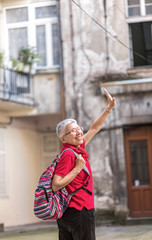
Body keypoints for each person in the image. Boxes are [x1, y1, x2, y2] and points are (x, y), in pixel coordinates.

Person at [52, 88, 115, 240]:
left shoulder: (76, 149)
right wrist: (78, 169)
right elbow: (56, 184)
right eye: (72, 131)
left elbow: (94, 128)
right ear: (64, 139)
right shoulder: (68, 154)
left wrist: (108, 109)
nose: (79, 132)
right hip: (79, 209)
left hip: (70, 211)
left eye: (78, 128)